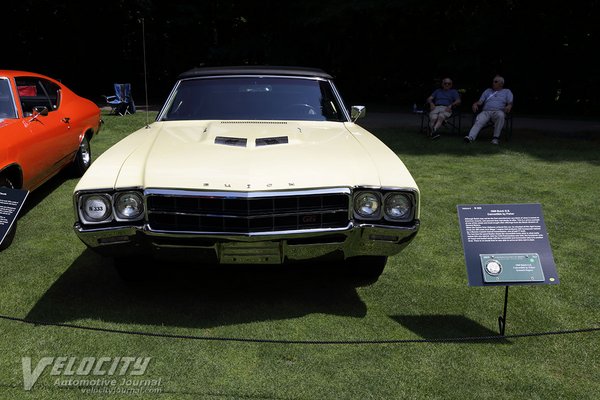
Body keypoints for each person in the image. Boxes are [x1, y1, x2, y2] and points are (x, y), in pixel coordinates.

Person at [464, 75, 513, 145]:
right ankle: (470, 137)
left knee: (501, 115)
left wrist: (509, 105)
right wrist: (475, 104)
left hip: (498, 111)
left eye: (495, 81)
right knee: (479, 119)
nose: (493, 83)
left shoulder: (507, 91)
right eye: (493, 81)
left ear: (501, 84)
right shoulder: (487, 91)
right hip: (486, 111)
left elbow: (510, 102)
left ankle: (495, 138)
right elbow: (480, 102)